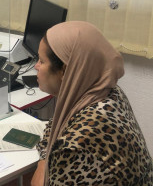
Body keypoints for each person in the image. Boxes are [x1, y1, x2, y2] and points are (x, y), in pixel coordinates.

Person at [31, 21, 153, 185]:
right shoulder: (107, 92)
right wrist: (48, 152)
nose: (35, 67)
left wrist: (44, 159)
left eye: (41, 61)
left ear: (66, 70)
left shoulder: (76, 146)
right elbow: (54, 127)